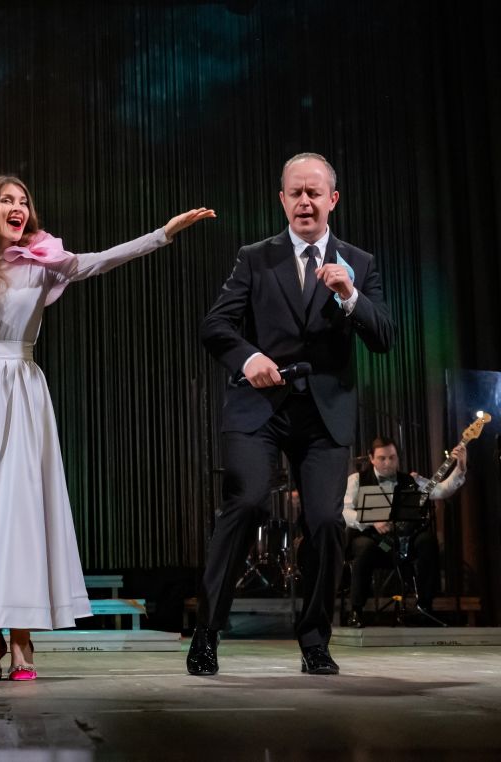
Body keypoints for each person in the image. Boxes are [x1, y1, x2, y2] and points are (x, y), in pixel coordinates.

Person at [0, 175, 214, 680]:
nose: (18, 207)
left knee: (18, 517)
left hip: (21, 394)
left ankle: (22, 639)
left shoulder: (44, 264)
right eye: (7, 200)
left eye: (24, 201)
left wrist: (163, 234)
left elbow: (102, 260)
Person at [192, 152, 394, 676]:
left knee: (325, 521)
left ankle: (315, 641)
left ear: (333, 199)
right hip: (260, 406)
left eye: (314, 192)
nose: (305, 201)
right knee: (247, 502)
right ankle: (208, 631)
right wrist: (249, 358)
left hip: (324, 413)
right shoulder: (255, 258)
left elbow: (383, 337)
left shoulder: (359, 262)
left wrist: (350, 296)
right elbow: (216, 325)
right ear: (282, 200)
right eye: (296, 193)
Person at [342, 437, 467, 626]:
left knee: (426, 541)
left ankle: (425, 606)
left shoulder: (410, 480)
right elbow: (343, 512)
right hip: (376, 543)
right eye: (382, 458)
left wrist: (460, 467)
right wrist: (371, 520)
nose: (388, 463)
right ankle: (356, 611)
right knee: (364, 546)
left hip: (403, 543)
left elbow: (441, 490)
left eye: (392, 457)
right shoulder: (357, 480)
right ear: (371, 458)